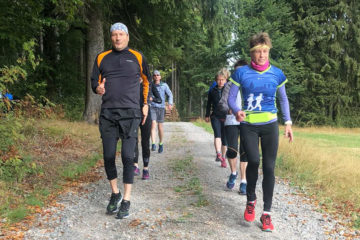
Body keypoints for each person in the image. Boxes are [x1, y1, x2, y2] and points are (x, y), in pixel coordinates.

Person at [228, 32, 293, 232]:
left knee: (270, 168)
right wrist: (236, 110)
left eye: (265, 51)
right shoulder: (241, 73)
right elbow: (231, 98)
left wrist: (288, 122)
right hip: (248, 125)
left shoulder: (277, 74)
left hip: (270, 125)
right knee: (253, 161)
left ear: (268, 51)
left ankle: (267, 213)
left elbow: (283, 99)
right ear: (252, 53)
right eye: (258, 52)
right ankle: (251, 200)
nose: (262, 55)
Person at [91, 22, 150, 219]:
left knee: (127, 156)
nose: (117, 38)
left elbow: (147, 81)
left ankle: (126, 199)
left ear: (127, 37)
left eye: (121, 34)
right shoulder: (101, 58)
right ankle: (115, 193)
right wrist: (98, 88)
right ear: (111, 37)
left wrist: (145, 104)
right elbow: (94, 81)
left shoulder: (138, 57)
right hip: (108, 114)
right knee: (108, 156)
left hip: (131, 113)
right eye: (114, 35)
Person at [224, 60, 248, 195]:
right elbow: (222, 103)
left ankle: (243, 181)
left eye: (242, 70)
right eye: (237, 71)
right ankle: (233, 172)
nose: (240, 73)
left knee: (245, 152)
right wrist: (228, 109)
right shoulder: (229, 85)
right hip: (232, 121)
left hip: (247, 122)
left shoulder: (251, 85)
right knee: (232, 150)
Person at [133, 79, 161, 180]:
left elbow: (159, 99)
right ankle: (135, 165)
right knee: (134, 140)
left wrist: (151, 99)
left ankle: (146, 168)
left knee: (145, 142)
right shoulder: (132, 81)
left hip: (146, 114)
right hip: (134, 113)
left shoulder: (149, 84)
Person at [205, 68, 228, 168]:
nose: (220, 81)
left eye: (222, 79)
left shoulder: (229, 90)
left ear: (226, 80)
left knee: (225, 139)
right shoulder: (212, 91)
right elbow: (208, 103)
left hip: (227, 116)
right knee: (217, 134)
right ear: (216, 80)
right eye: (218, 79)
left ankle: (223, 158)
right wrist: (207, 115)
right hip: (215, 116)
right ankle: (218, 153)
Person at [150, 70, 173, 153]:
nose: (156, 76)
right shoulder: (150, 85)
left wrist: (170, 104)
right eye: (154, 75)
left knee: (160, 127)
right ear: (153, 77)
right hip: (152, 107)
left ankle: (161, 143)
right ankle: (153, 144)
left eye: (157, 75)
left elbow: (170, 94)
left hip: (161, 108)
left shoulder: (164, 85)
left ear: (160, 77)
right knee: (153, 124)